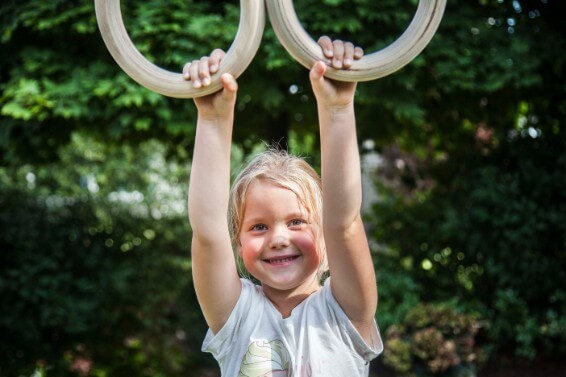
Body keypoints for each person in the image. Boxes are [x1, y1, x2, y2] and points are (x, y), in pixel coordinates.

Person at [185, 36, 383, 376]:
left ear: (324, 238)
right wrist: (213, 119)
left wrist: (337, 109)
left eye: (297, 222)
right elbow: (207, 234)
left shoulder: (345, 312)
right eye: (259, 226)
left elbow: (344, 223)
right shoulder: (237, 315)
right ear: (238, 241)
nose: (278, 238)